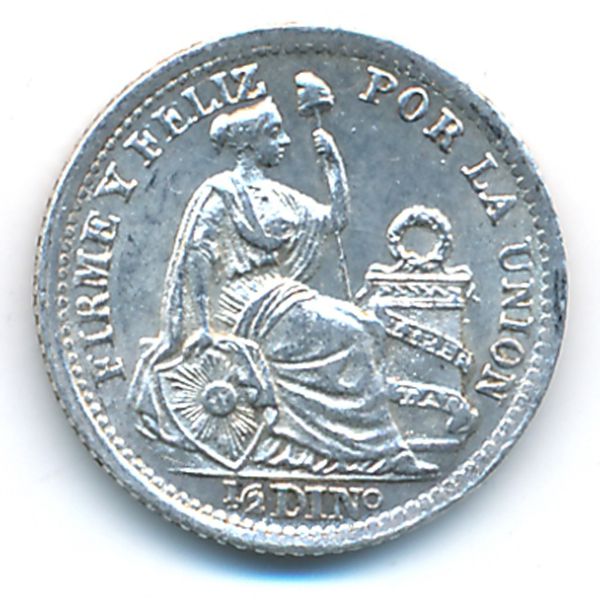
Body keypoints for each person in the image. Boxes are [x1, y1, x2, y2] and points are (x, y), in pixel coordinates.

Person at [128, 96, 436, 475]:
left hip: (276, 293)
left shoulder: (279, 195)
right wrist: (203, 327)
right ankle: (377, 451)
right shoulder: (221, 192)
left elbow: (334, 221)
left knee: (368, 326)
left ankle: (356, 442)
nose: (285, 141)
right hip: (241, 304)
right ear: (249, 143)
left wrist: (334, 169)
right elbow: (198, 257)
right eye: (274, 133)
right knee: (352, 335)